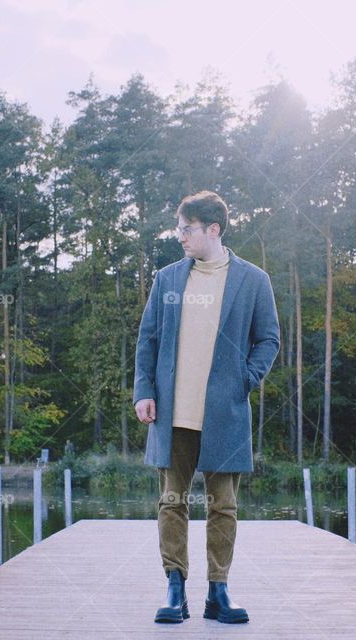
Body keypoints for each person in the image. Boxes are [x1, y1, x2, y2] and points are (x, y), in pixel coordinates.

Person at [132, 190, 280, 624]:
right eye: (179, 228)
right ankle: (175, 590)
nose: (180, 236)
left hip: (225, 413)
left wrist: (244, 380)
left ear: (212, 230)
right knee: (172, 502)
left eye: (187, 229)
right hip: (172, 413)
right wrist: (144, 390)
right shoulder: (168, 279)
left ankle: (219, 592)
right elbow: (149, 339)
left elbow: (268, 339)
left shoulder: (253, 280)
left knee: (223, 506)